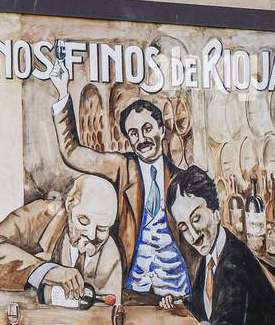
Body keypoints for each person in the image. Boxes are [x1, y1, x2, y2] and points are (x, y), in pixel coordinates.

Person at [112, 166, 275, 325]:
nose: (192, 235)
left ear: (216, 212)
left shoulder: (234, 262)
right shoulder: (213, 253)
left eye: (196, 218)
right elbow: (206, 309)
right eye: (183, 227)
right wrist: (182, 303)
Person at [48, 63, 191, 300]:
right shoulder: (122, 167)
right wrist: (62, 91)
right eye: (134, 133)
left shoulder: (182, 179)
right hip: (133, 288)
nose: (142, 138)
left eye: (147, 129)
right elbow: (72, 153)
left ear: (161, 130)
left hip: (177, 290)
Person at [0, 174, 123, 300]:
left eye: (102, 229)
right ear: (70, 204)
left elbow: (108, 312)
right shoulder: (43, 215)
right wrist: (47, 271)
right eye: (83, 220)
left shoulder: (110, 254)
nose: (91, 235)